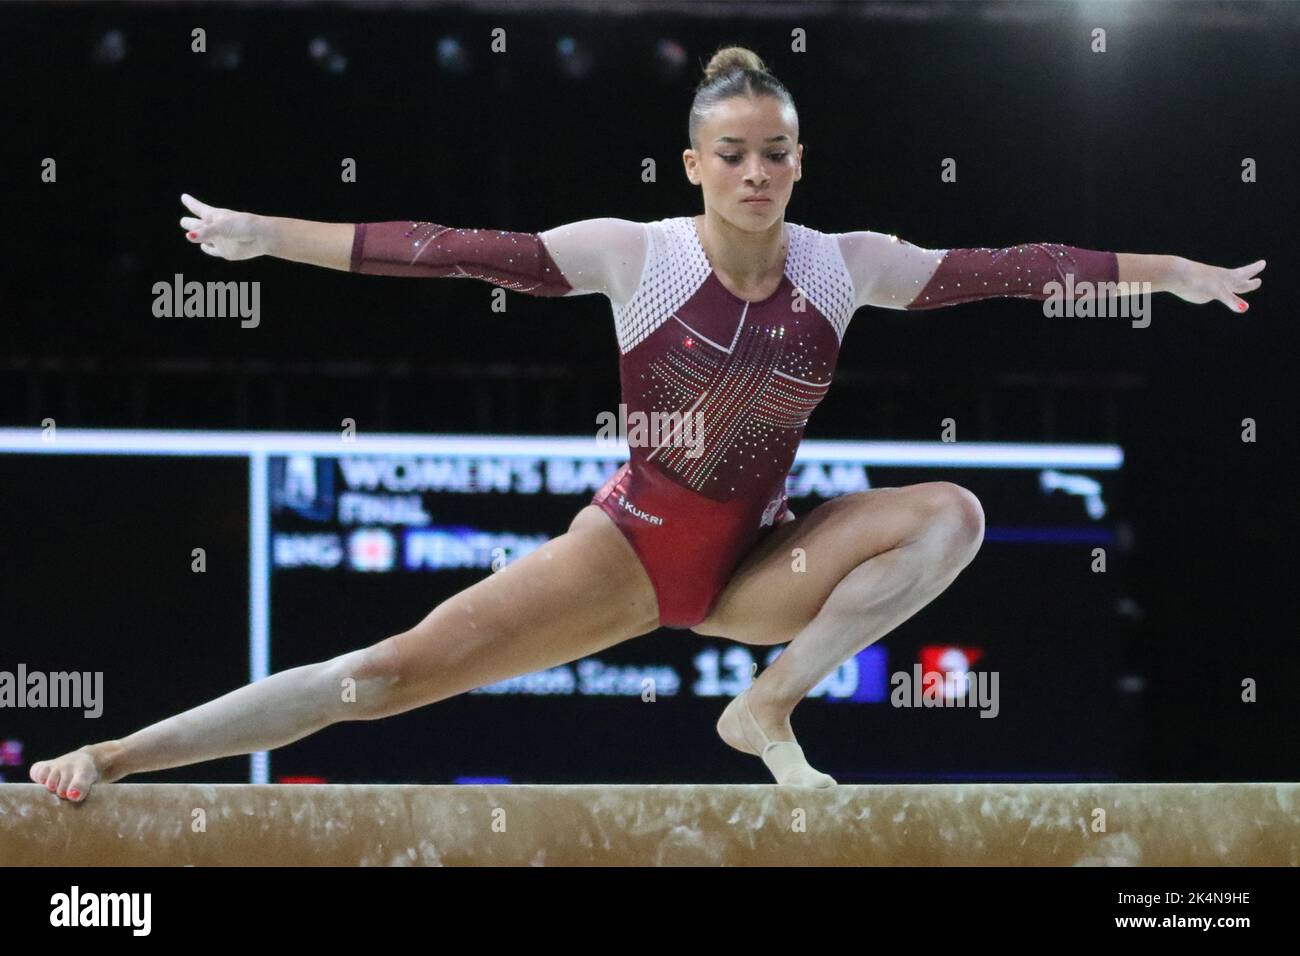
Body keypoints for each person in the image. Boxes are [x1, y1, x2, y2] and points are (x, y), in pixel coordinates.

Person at [32, 45, 1263, 799]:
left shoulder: (848, 265)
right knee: (382, 677)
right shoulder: (636, 256)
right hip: (625, 552)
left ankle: (766, 702)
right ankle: (121, 755)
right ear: (692, 164)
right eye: (732, 153)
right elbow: (449, 251)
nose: (756, 173)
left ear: (798, 158)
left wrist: (1168, 271)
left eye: (775, 152)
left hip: (759, 564)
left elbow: (1016, 266)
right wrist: (265, 238)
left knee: (953, 510)